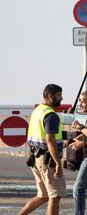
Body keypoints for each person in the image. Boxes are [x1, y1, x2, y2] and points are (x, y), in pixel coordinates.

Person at [19, 84, 66, 215]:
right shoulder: (51, 115)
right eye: (59, 95)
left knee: (43, 195)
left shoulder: (38, 110)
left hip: (35, 158)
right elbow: (50, 141)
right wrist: (58, 163)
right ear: (50, 96)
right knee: (55, 196)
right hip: (48, 160)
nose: (61, 98)